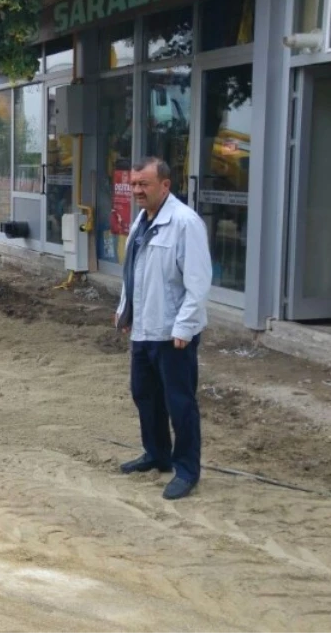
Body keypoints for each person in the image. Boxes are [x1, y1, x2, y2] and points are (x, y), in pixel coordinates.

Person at [114, 157, 212, 500]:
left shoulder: (185, 223)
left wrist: (184, 328)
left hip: (174, 335)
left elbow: (198, 283)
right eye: (134, 184)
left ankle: (186, 470)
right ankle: (156, 454)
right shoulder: (142, 219)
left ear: (165, 185)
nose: (137, 190)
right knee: (145, 396)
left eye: (145, 184)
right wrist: (127, 314)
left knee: (180, 403)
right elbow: (134, 274)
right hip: (144, 328)